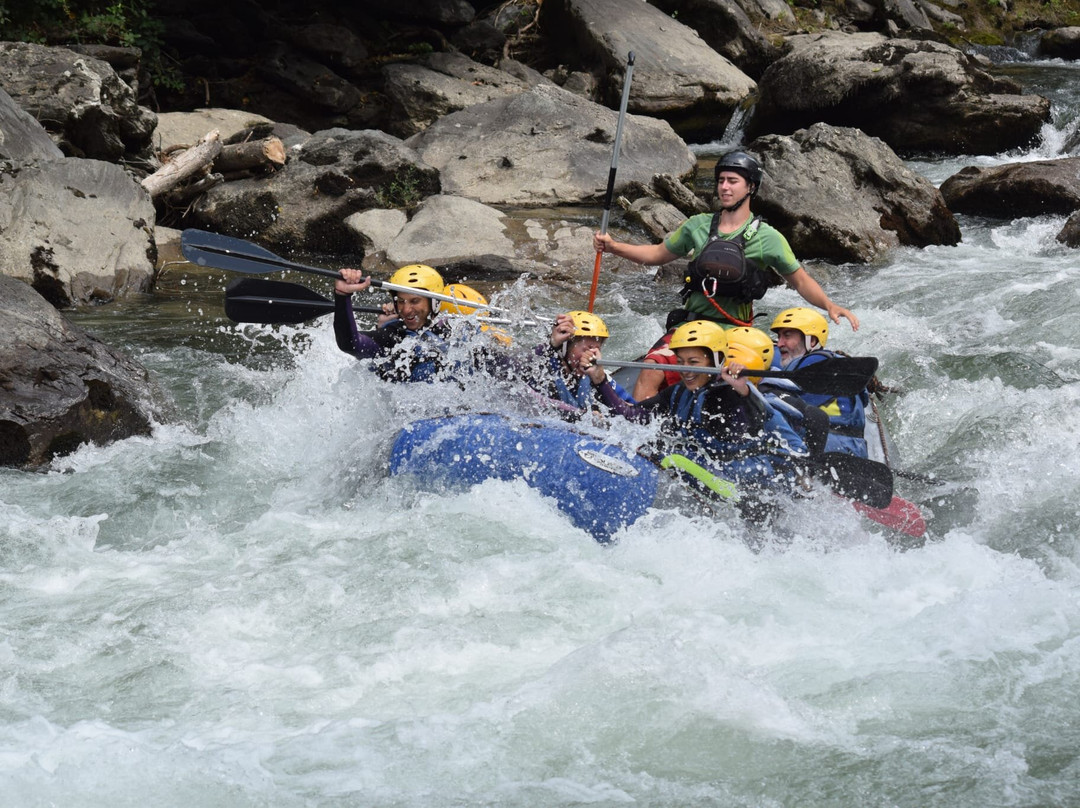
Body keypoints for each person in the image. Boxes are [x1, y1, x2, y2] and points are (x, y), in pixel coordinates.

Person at [592, 150, 859, 400]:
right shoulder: (697, 225)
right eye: (721, 181)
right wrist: (614, 247)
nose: (725, 187)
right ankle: (642, 437)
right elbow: (657, 254)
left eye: (733, 181)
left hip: (738, 332)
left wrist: (829, 305)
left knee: (731, 384)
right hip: (693, 325)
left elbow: (800, 279)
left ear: (750, 187)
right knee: (651, 370)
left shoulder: (768, 238)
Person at [607, 321, 808, 514]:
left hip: (759, 475)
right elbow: (633, 416)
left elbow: (746, 427)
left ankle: (734, 500)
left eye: (693, 362)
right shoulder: (679, 392)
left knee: (671, 456)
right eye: (680, 362)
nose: (685, 369)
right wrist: (599, 380)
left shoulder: (727, 393)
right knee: (653, 444)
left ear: (715, 360)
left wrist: (739, 390)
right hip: (721, 468)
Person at [334, 263, 476, 383]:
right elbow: (350, 344)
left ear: (435, 302)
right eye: (401, 302)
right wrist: (342, 296)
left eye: (415, 301)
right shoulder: (392, 337)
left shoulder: (456, 330)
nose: (406, 310)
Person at [768, 307, 869, 458]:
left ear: (812, 341)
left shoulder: (814, 363)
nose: (780, 343)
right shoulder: (836, 362)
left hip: (830, 445)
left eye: (787, 336)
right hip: (854, 446)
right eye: (779, 336)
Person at [519, 310, 635, 418]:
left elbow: (633, 410)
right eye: (586, 349)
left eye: (597, 349)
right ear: (564, 348)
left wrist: (604, 413)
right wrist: (550, 346)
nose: (592, 356)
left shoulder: (597, 376)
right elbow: (512, 368)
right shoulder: (546, 365)